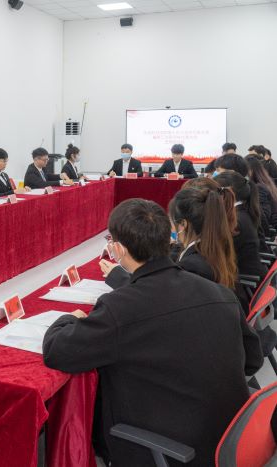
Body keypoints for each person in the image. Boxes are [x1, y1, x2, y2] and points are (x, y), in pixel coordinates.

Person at [43, 198, 262, 467]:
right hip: (232, 436)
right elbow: (253, 360)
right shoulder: (220, 293)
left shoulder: (120, 308)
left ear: (119, 249)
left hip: (172, 449)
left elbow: (58, 351)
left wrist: (68, 319)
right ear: (168, 237)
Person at [101, 179, 238, 291]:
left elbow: (159, 298)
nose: (170, 225)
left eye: (171, 219)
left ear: (183, 224)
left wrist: (120, 277)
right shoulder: (212, 242)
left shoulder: (192, 266)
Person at [246, 155, 277, 231]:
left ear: (251, 170)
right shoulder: (266, 183)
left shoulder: (258, 187)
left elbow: (264, 215)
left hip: (269, 229)